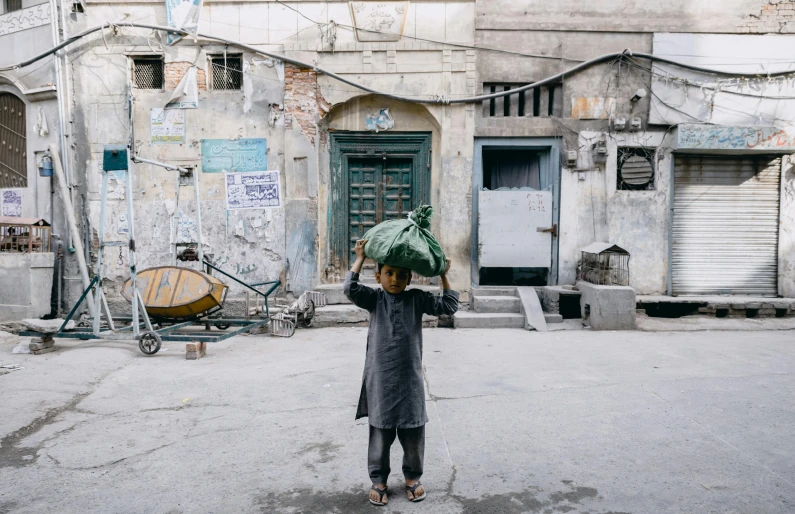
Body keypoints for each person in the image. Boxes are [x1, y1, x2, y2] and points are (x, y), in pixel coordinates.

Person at [344, 239, 459, 506]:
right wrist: (360, 257)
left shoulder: (416, 298)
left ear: (409, 279)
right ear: (378, 276)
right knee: (380, 431)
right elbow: (350, 288)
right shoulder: (374, 298)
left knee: (413, 430)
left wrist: (444, 273)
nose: (394, 279)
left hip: (410, 379)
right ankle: (379, 481)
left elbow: (448, 306)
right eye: (389, 273)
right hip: (381, 377)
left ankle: (412, 479)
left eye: (401, 275)